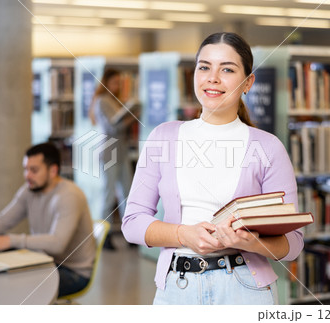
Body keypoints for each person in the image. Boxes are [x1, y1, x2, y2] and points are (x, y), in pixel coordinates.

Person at [122, 32, 304, 305]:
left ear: (248, 82)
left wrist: (247, 241)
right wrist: (183, 234)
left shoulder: (268, 147)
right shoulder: (163, 137)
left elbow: (293, 243)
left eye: (227, 69)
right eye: (204, 67)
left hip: (245, 289)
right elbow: (132, 223)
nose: (212, 78)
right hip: (177, 288)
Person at [0, 143, 97, 297]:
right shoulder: (30, 190)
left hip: (72, 271)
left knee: (12, 286)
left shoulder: (69, 196)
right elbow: (3, 221)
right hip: (43, 259)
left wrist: (10, 240)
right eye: (26, 169)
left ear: (53, 171)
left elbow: (57, 244)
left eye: (34, 170)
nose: (27, 175)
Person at [88, 68, 138, 250]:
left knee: (127, 193)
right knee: (109, 195)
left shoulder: (116, 100)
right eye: (114, 82)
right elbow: (112, 127)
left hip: (122, 150)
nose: (117, 86)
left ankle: (130, 234)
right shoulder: (102, 101)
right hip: (110, 151)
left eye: (118, 82)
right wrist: (132, 119)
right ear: (106, 83)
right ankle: (105, 235)